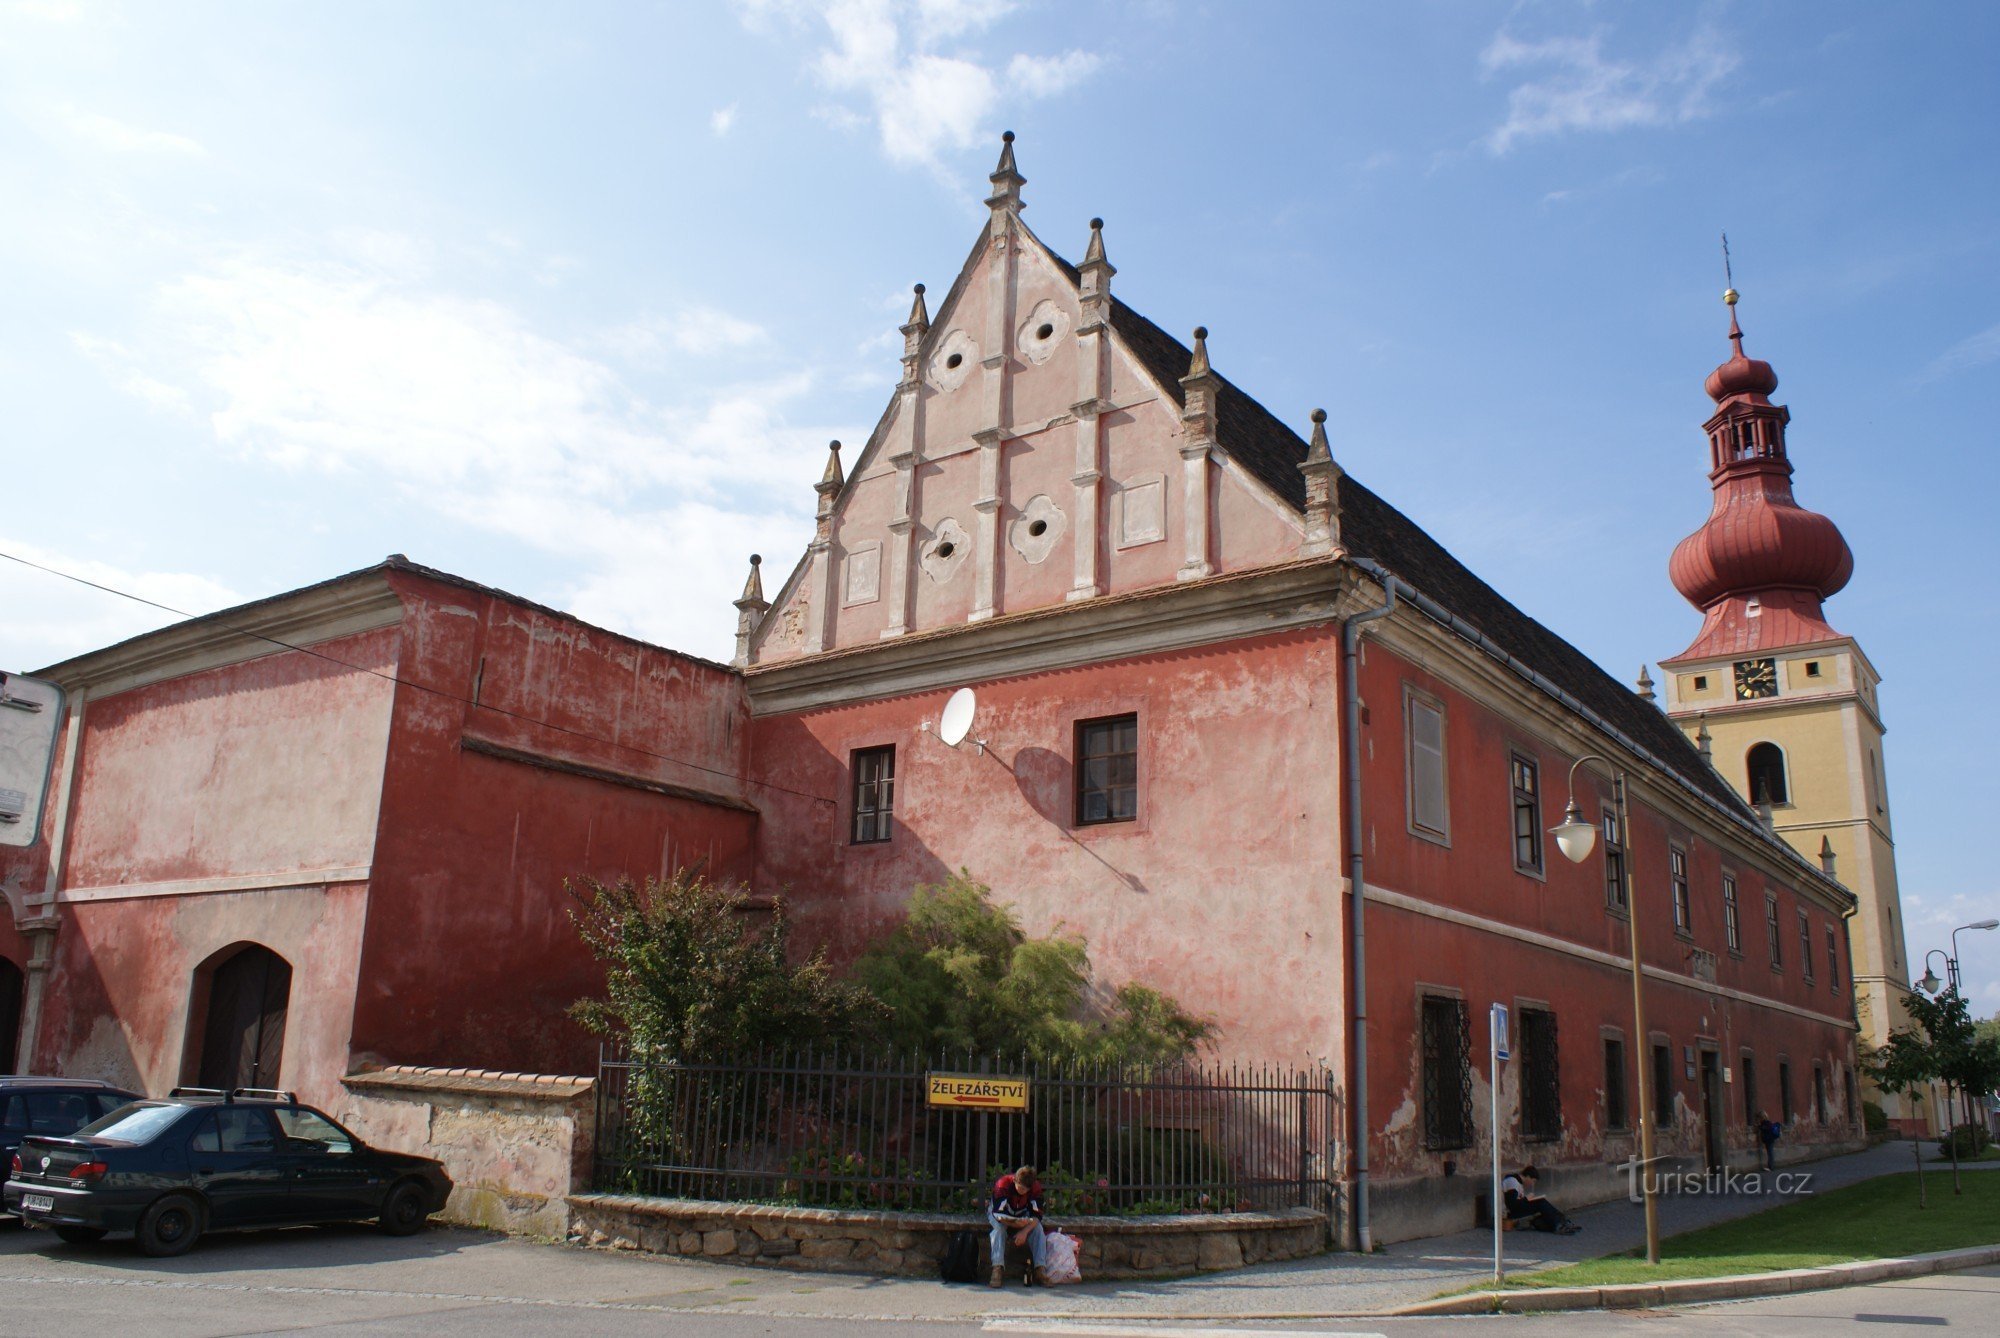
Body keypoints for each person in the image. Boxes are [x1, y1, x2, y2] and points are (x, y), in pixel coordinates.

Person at [988, 1164, 1051, 1287]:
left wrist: (1024, 1231)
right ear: (1015, 1180)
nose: (1022, 1191)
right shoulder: (1003, 1185)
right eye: (1020, 1188)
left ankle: (1040, 1268)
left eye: (1025, 1190)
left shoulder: (1035, 1189)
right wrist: (1014, 1224)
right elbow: (998, 1215)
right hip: (1002, 1215)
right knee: (998, 1230)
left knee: (1038, 1229)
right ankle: (997, 1268)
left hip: (1022, 1213)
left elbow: (1037, 1216)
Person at [1501, 1164, 1579, 1235]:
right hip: (1510, 1213)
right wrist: (1526, 1199)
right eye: (1533, 1181)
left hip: (1516, 1209)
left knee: (1542, 1203)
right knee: (1540, 1202)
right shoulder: (1512, 1182)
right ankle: (1559, 1224)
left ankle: (1562, 1221)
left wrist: (1528, 1200)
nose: (1532, 1184)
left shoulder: (1517, 1183)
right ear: (1528, 1176)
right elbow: (1512, 1204)